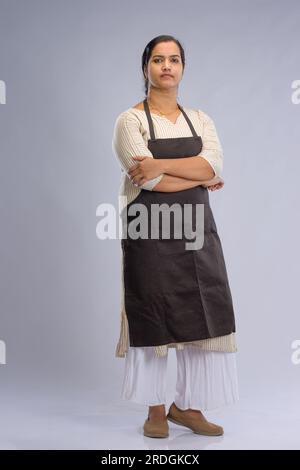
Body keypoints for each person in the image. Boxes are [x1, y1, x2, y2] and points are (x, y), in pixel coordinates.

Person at [112, 35, 239, 438]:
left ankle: (187, 408)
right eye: (158, 59)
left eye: (174, 59)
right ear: (146, 67)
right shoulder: (129, 121)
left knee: (204, 311)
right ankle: (154, 410)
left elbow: (213, 167)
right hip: (148, 230)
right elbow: (148, 183)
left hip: (197, 233)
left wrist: (160, 165)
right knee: (153, 312)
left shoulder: (201, 119)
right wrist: (191, 171)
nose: (166, 66)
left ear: (183, 67)